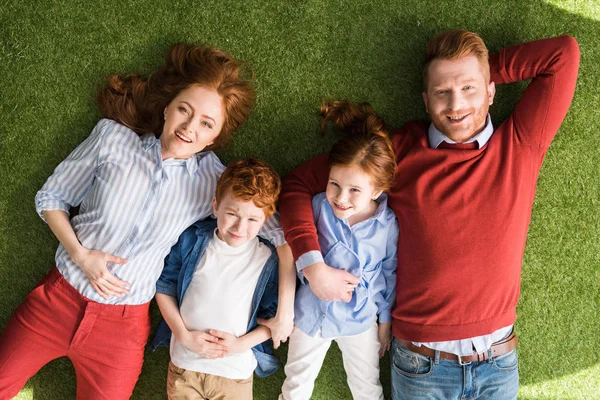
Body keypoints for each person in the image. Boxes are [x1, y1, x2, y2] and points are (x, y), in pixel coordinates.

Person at [279, 30, 580, 399]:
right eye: (442, 92)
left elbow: (562, 54)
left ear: (490, 90)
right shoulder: (398, 152)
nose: (456, 104)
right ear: (425, 100)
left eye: (469, 88)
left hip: (497, 362)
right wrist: (312, 266)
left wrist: (482, 71)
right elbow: (296, 185)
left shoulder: (520, 142)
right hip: (421, 365)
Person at [0, 44, 294, 400]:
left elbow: (280, 234)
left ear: (215, 138)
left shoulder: (214, 182)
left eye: (206, 123)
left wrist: (284, 312)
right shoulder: (111, 138)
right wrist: (80, 254)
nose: (189, 127)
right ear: (168, 108)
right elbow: (51, 198)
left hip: (123, 328)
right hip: (58, 298)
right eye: (184, 110)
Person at [280, 101, 398, 400]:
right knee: (295, 385)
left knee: (367, 387)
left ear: (376, 191)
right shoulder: (319, 205)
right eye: (334, 185)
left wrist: (384, 322)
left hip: (360, 319)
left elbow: (389, 271)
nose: (341, 198)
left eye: (354, 190)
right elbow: (290, 243)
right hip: (310, 314)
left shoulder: (387, 225)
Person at [151, 158, 284, 400]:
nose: (240, 227)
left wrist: (240, 345)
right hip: (185, 367)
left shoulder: (268, 260)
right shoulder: (192, 240)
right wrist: (182, 334)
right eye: (232, 214)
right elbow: (164, 287)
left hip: (234, 373)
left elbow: (274, 320)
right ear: (215, 206)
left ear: (265, 219)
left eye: (253, 219)